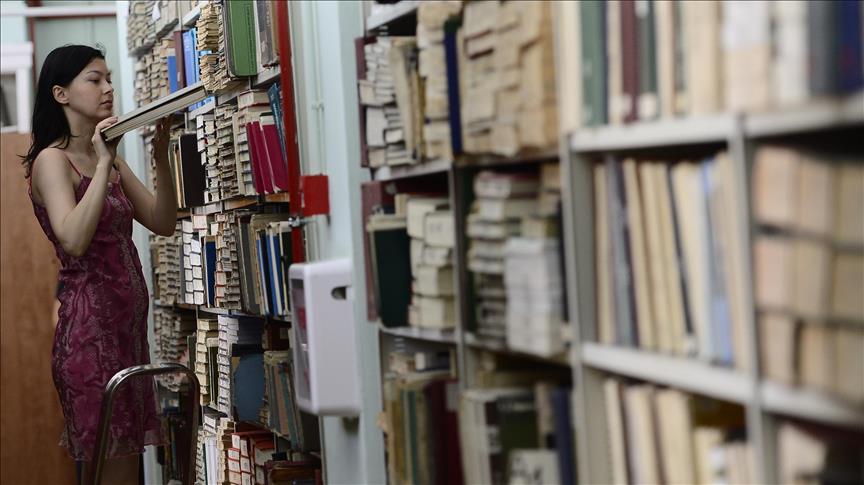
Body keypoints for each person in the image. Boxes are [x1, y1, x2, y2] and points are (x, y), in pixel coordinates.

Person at [22, 44, 177, 485]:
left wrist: (160, 153)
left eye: (109, 78)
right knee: (111, 468)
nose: (109, 88)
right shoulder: (52, 161)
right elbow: (72, 238)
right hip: (89, 340)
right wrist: (105, 160)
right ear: (61, 93)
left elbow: (162, 222)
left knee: (127, 467)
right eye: (95, 79)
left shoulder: (109, 158)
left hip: (127, 336)